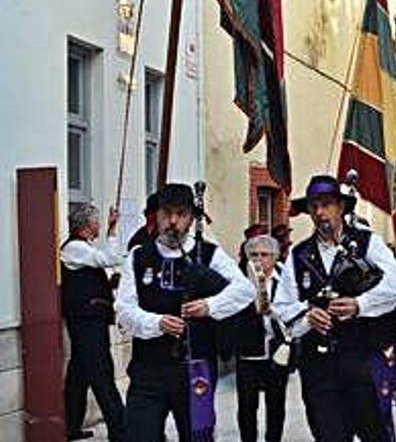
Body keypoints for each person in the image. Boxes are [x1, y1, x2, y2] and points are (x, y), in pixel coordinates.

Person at [284, 175, 396, 442]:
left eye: (326, 204)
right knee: (328, 434)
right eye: (313, 206)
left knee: (375, 433)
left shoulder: (367, 243)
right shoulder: (299, 254)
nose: (319, 213)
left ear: (341, 207)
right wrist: (308, 317)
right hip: (318, 366)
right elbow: (282, 306)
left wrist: (361, 305)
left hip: (362, 359)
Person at [117, 183, 255, 442]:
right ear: (156, 215)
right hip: (148, 371)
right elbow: (124, 311)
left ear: (191, 218)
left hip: (196, 369)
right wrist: (157, 323)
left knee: (198, 437)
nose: (172, 221)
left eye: (180, 214)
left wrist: (210, 306)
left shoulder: (209, 254)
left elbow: (245, 291)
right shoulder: (138, 257)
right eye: (166, 213)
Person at [60, 204, 127, 442]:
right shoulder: (75, 248)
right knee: (102, 375)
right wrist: (112, 230)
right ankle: (120, 431)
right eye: (96, 222)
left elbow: (88, 280)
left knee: (78, 376)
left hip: (88, 322)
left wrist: (107, 285)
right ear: (87, 226)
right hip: (87, 324)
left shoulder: (82, 249)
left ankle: (70, 427)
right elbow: (110, 258)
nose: (98, 225)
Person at [235, 235, 297, 442]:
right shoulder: (240, 280)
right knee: (246, 407)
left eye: (264, 255)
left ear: (274, 257)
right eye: (254, 255)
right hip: (249, 353)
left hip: (277, 352)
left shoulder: (286, 279)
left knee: (276, 405)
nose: (259, 259)